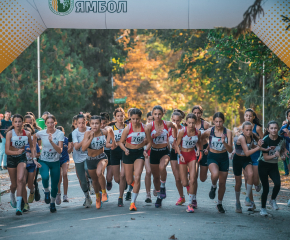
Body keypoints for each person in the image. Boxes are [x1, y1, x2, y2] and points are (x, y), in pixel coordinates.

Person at [5, 114, 40, 215]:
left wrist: (34, 159)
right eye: (15, 122)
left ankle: (19, 207)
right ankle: (12, 194)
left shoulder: (27, 133)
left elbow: (32, 147)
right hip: (11, 158)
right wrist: (16, 152)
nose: (17, 124)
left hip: (21, 158)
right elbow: (7, 151)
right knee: (14, 184)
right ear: (13, 123)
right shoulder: (10, 134)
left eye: (19, 121)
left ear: (22, 123)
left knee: (21, 180)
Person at [146, 105, 178, 208]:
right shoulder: (149, 126)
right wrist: (153, 136)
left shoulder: (167, 124)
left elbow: (175, 126)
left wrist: (175, 138)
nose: (157, 116)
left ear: (162, 114)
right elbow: (146, 140)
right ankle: (159, 196)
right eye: (155, 114)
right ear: (152, 115)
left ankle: (163, 186)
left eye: (159, 114)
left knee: (162, 167)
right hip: (154, 151)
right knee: (155, 177)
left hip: (165, 151)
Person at [201, 112, 233, 213]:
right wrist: (204, 148)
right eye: (216, 122)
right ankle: (213, 186)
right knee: (215, 174)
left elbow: (231, 150)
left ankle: (219, 203)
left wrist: (224, 142)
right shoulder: (210, 131)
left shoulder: (228, 132)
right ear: (213, 122)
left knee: (223, 183)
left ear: (223, 121)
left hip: (223, 157)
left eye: (220, 122)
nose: (218, 124)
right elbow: (199, 138)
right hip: (212, 156)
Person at [118, 108, 149, 211]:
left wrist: (146, 149)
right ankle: (132, 185)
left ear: (140, 118)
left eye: (137, 119)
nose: (135, 121)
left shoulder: (145, 128)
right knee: (129, 180)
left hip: (139, 153)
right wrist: (125, 149)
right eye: (133, 119)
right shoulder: (128, 128)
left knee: (138, 176)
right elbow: (120, 142)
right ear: (130, 118)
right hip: (128, 153)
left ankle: (133, 203)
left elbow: (150, 142)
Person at [82, 115, 115, 209]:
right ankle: (97, 197)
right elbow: (84, 148)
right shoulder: (88, 133)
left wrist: (114, 142)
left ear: (100, 124)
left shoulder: (103, 131)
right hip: (90, 159)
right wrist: (91, 138)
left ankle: (104, 192)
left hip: (102, 157)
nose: (95, 125)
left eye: (97, 123)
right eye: (92, 123)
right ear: (89, 124)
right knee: (95, 181)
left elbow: (110, 130)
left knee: (99, 172)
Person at [34, 114, 64, 213]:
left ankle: (52, 203)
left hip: (55, 161)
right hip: (44, 160)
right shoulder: (41, 133)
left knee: (55, 185)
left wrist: (51, 142)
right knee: (45, 177)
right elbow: (33, 137)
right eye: (48, 123)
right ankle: (46, 190)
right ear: (45, 124)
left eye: (52, 123)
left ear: (55, 123)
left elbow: (60, 150)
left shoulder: (59, 133)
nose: (50, 125)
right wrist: (35, 150)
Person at [233, 121, 263, 213]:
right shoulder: (241, 137)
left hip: (246, 160)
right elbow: (247, 152)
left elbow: (252, 146)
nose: (249, 132)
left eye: (250, 130)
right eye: (246, 130)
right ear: (242, 130)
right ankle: (237, 202)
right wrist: (258, 148)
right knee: (238, 183)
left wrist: (263, 148)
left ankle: (247, 197)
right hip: (237, 160)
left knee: (251, 174)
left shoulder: (252, 136)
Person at [259, 121, 286, 216]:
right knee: (266, 188)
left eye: (275, 128)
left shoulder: (281, 139)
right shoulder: (265, 140)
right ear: (268, 129)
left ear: (278, 129)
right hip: (263, 165)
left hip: (273, 165)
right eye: (271, 128)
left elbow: (282, 150)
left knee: (278, 184)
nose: (274, 130)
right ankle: (263, 208)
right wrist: (275, 155)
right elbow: (265, 157)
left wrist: (282, 156)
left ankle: (272, 200)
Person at [176, 113, 201, 213]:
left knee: (193, 179)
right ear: (186, 122)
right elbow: (177, 145)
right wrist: (180, 155)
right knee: (185, 182)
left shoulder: (198, 132)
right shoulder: (182, 132)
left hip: (192, 156)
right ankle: (188, 189)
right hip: (183, 156)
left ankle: (190, 204)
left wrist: (198, 149)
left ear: (196, 123)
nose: (191, 125)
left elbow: (199, 143)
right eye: (189, 123)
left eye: (193, 123)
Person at [243, 108, 263, 207]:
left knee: (254, 180)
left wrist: (256, 138)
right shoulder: (242, 128)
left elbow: (263, 142)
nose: (248, 117)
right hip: (245, 156)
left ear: (253, 117)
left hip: (256, 156)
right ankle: (251, 202)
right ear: (244, 117)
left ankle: (258, 183)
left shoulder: (257, 128)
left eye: (250, 116)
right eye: (246, 115)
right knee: (247, 178)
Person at [72, 114, 93, 208]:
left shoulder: (90, 130)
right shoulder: (75, 133)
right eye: (79, 123)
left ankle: (92, 181)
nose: (81, 125)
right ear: (76, 123)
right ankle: (87, 197)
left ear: (86, 122)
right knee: (83, 181)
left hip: (89, 155)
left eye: (83, 123)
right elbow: (76, 147)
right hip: (78, 158)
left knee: (87, 168)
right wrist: (85, 139)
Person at [192, 105, 211, 208]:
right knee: (193, 176)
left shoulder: (206, 125)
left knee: (202, 178)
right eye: (194, 113)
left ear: (201, 114)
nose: (196, 115)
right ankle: (193, 198)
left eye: (198, 113)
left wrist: (207, 148)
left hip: (204, 149)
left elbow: (213, 137)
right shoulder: (190, 123)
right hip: (193, 149)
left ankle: (204, 173)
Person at [110, 108, 127, 207]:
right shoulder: (111, 128)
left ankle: (120, 197)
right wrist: (114, 144)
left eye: (122, 116)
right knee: (117, 179)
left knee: (122, 175)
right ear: (115, 117)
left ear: (124, 116)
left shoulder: (128, 127)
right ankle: (123, 184)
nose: (120, 118)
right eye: (118, 116)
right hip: (114, 152)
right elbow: (108, 143)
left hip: (125, 152)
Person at [168, 110, 186, 206]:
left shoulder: (184, 129)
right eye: (173, 120)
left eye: (177, 121)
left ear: (181, 120)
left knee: (184, 179)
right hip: (173, 154)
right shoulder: (169, 130)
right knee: (178, 178)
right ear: (171, 120)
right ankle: (182, 197)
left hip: (185, 154)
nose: (175, 123)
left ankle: (192, 197)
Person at [24, 114, 41, 201]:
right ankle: (23, 202)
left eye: (30, 122)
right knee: (23, 181)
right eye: (27, 122)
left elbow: (39, 148)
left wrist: (33, 154)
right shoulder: (21, 136)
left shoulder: (37, 132)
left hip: (34, 161)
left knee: (32, 181)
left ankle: (34, 190)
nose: (29, 123)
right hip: (23, 163)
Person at [55, 126, 70, 204]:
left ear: (63, 133)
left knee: (64, 174)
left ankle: (65, 195)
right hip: (57, 159)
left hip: (64, 159)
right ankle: (58, 193)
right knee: (59, 177)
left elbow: (70, 149)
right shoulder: (54, 139)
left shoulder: (66, 140)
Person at [100, 112, 113, 191]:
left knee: (109, 177)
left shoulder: (110, 130)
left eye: (104, 123)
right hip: (101, 153)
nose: (102, 125)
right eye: (101, 123)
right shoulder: (96, 131)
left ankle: (109, 181)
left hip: (110, 153)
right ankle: (102, 190)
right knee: (101, 173)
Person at [144, 112, 153, 202]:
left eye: (152, 119)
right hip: (146, 151)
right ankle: (148, 194)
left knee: (156, 173)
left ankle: (157, 187)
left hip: (156, 151)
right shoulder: (144, 128)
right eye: (149, 119)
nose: (150, 121)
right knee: (148, 171)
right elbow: (144, 141)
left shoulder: (158, 127)